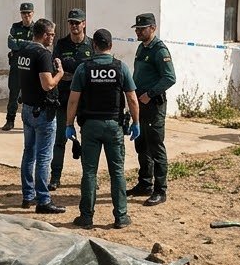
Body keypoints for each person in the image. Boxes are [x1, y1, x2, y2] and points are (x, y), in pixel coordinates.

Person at [64, 29, 141, 229]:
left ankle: (87, 217)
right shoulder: (121, 67)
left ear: (94, 46)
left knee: (89, 172)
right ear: (111, 46)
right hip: (114, 125)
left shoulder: (83, 69)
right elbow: (132, 98)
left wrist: (68, 124)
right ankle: (121, 217)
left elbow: (73, 100)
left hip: (90, 126)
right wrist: (136, 122)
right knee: (117, 172)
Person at [16, 19, 67, 214]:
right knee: (44, 157)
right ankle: (43, 200)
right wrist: (60, 73)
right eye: (52, 34)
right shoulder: (43, 54)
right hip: (43, 112)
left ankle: (28, 196)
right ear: (45, 35)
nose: (53, 38)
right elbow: (48, 84)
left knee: (28, 153)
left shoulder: (24, 50)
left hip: (27, 109)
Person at [129, 13, 176, 207]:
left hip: (153, 104)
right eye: (138, 29)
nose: (139, 32)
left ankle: (160, 189)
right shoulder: (142, 48)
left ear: (153, 28)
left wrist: (150, 93)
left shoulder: (159, 50)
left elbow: (169, 78)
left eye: (143, 28)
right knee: (141, 144)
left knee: (155, 145)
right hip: (140, 102)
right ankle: (145, 183)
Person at [49, 9, 93, 190]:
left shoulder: (91, 45)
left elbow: (92, 71)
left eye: (77, 22)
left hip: (85, 101)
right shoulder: (61, 44)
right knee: (60, 139)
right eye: (71, 23)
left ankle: (88, 178)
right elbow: (56, 68)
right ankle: (55, 177)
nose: (74, 26)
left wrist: (71, 73)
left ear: (84, 23)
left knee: (89, 140)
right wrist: (74, 74)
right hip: (64, 99)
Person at [3, 2, 35, 131]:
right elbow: (11, 43)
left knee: (32, 95)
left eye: (28, 13)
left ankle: (31, 122)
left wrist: (20, 43)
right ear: (20, 14)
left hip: (32, 66)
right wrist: (26, 44)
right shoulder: (15, 27)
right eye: (23, 13)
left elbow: (35, 45)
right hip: (16, 65)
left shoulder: (37, 27)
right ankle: (10, 120)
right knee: (14, 93)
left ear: (33, 13)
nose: (26, 15)